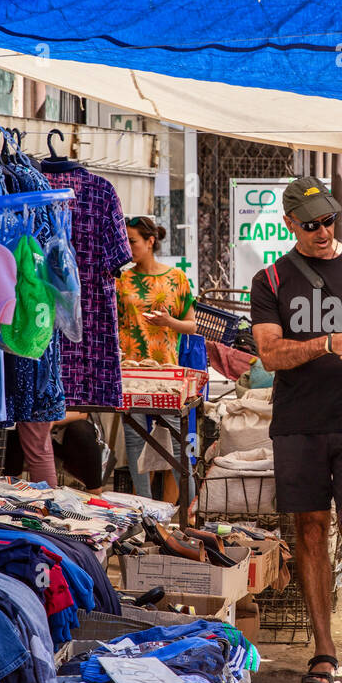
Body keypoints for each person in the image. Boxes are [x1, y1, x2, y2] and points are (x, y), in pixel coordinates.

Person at [249, 176, 342, 683]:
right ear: (289, 223)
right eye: (311, 224)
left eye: (329, 220)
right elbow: (270, 354)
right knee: (310, 531)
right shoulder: (270, 280)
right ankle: (324, 649)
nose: (322, 231)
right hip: (299, 426)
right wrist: (327, 342)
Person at [115, 214, 197, 503]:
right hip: (130, 372)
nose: (127, 247)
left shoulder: (176, 278)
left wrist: (169, 322)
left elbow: (192, 325)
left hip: (165, 374)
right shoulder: (121, 279)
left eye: (132, 241)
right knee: (134, 439)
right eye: (125, 241)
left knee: (176, 441)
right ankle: (144, 508)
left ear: (150, 241)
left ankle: (190, 508)